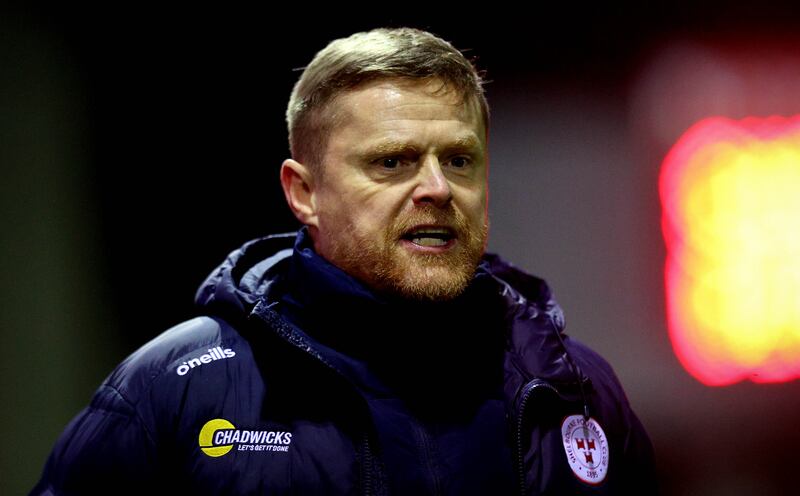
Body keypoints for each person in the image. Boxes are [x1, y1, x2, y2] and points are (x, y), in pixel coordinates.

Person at [32, 27, 657, 495]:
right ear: (304, 193)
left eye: (459, 160)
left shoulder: (574, 389)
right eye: (393, 162)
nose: (438, 188)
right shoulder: (174, 389)